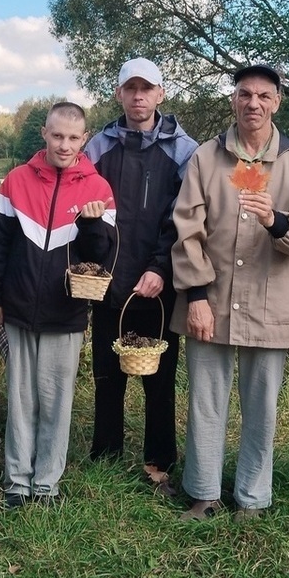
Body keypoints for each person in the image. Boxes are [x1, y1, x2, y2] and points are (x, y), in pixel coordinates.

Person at [171, 64, 289, 522]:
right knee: (205, 398)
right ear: (233, 100)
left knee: (262, 405)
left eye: (263, 95)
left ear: (277, 102)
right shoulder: (206, 157)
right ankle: (203, 492)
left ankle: (253, 498)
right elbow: (186, 228)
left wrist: (274, 220)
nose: (253, 103)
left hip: (272, 303)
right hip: (211, 301)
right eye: (244, 94)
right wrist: (196, 294)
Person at [0, 102, 117, 509]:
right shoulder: (14, 181)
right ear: (44, 133)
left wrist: (92, 224)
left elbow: (101, 256)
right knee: (21, 398)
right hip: (18, 306)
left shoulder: (98, 189)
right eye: (57, 135)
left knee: (56, 399)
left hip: (67, 312)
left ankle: (46, 484)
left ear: (85, 139)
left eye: (73, 138)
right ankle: (16, 482)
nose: (64, 145)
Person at [83, 57, 197, 493]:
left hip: (157, 284)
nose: (138, 96)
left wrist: (160, 269)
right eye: (130, 88)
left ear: (160, 94)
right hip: (108, 284)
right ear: (118, 94)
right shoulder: (98, 147)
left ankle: (159, 461)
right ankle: (105, 455)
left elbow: (184, 218)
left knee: (160, 378)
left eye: (146, 88)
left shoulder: (184, 149)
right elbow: (84, 208)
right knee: (107, 375)